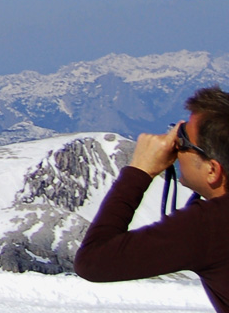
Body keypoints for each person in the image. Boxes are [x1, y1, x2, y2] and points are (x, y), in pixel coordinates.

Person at [74, 86, 229, 312]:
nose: (175, 144)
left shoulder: (211, 224)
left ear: (212, 170)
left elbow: (93, 262)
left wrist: (140, 170)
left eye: (183, 140)